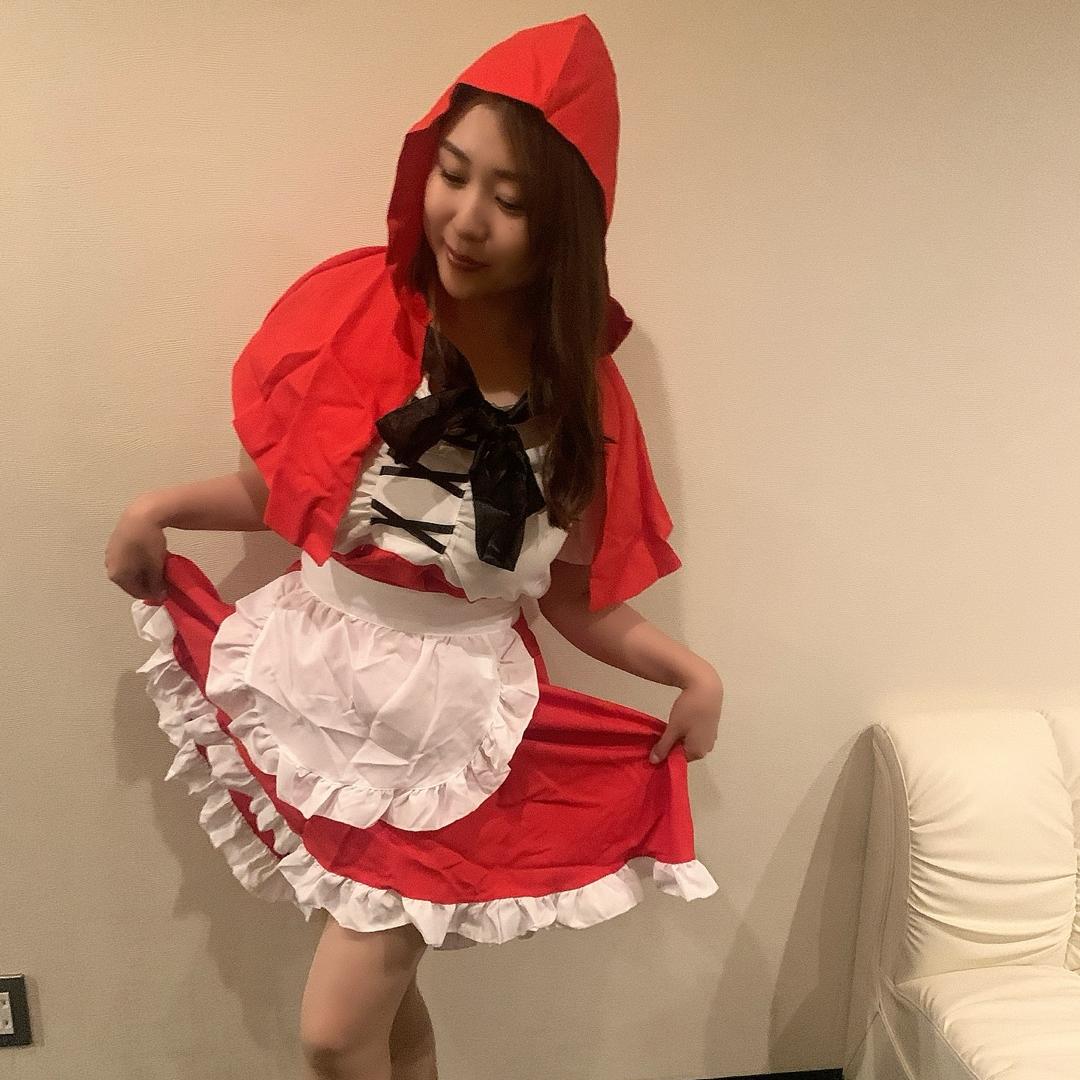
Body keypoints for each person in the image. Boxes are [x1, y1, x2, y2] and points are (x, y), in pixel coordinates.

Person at [105, 13, 722, 1080]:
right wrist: (155, 508)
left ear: (563, 226)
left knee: (335, 1031)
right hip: (318, 673)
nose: (468, 219)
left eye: (511, 201)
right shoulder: (355, 311)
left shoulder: (582, 395)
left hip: (447, 720)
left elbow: (571, 596)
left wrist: (689, 672)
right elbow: (283, 491)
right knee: (386, 1014)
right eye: (453, 173)